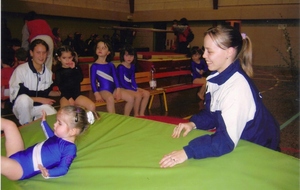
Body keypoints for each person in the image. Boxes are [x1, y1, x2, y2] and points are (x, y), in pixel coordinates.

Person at [159, 25, 280, 168]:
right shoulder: (216, 77)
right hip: (243, 140)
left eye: (209, 51)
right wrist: (194, 123)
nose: (204, 55)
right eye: (204, 50)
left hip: (260, 148)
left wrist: (187, 152)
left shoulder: (237, 89)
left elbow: (225, 140)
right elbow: (213, 113)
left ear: (229, 52)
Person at [1, 105, 98, 180]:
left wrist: (48, 173)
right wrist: (43, 122)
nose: (55, 124)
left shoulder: (69, 148)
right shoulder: (58, 138)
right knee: (10, 125)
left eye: (59, 123)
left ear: (72, 131)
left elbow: (63, 168)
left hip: (20, 168)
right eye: (56, 121)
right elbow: (51, 138)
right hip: (19, 155)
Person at [9, 39, 60, 125]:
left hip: (38, 107)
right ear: (31, 53)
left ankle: (41, 126)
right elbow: (17, 98)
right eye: (38, 52)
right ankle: (27, 126)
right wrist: (39, 99)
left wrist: (62, 92)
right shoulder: (21, 70)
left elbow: (47, 92)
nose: (41, 56)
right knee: (24, 100)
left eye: (44, 52)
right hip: (22, 107)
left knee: (53, 115)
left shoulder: (48, 73)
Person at [90, 39, 134, 116]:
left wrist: (118, 90)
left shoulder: (110, 65)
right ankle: (113, 118)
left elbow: (115, 78)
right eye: (98, 47)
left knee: (130, 98)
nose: (100, 49)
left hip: (113, 89)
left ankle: (126, 117)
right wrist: (96, 94)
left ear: (108, 52)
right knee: (110, 98)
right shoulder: (94, 66)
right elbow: (93, 81)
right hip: (103, 90)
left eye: (103, 48)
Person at [54, 45, 96, 112]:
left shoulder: (76, 68)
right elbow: (61, 86)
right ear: (59, 58)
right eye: (64, 58)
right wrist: (69, 98)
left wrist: (74, 69)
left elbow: (80, 79)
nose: (67, 60)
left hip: (77, 95)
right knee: (66, 111)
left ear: (73, 57)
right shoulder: (59, 71)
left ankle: (86, 121)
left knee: (92, 106)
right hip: (65, 96)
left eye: (69, 57)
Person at [117, 45, 150, 116]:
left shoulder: (132, 66)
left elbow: (132, 79)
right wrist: (134, 90)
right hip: (123, 88)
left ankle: (141, 113)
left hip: (130, 87)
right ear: (122, 56)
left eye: (131, 56)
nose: (129, 58)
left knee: (147, 93)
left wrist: (136, 88)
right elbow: (122, 83)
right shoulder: (120, 67)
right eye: (127, 55)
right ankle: (136, 114)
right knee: (138, 95)